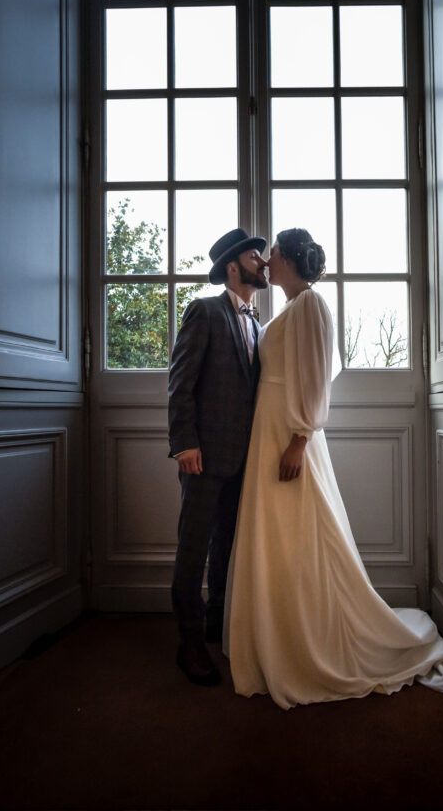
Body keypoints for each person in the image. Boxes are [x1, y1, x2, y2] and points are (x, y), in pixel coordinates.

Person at [224, 227, 443, 709]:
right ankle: (277, 636)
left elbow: (318, 378)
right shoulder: (290, 309)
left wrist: (299, 439)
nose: (268, 260)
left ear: (292, 258)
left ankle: (311, 640)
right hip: (269, 429)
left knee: (299, 534)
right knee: (277, 537)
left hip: (288, 435)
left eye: (273, 252)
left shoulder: (312, 306)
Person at [168, 227, 267, 686]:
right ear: (233, 266)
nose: (263, 263)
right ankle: (189, 645)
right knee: (193, 548)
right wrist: (185, 443)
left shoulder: (255, 322)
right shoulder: (204, 311)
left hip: (243, 459)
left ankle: (217, 626)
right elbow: (180, 382)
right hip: (203, 457)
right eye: (254, 256)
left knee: (226, 546)